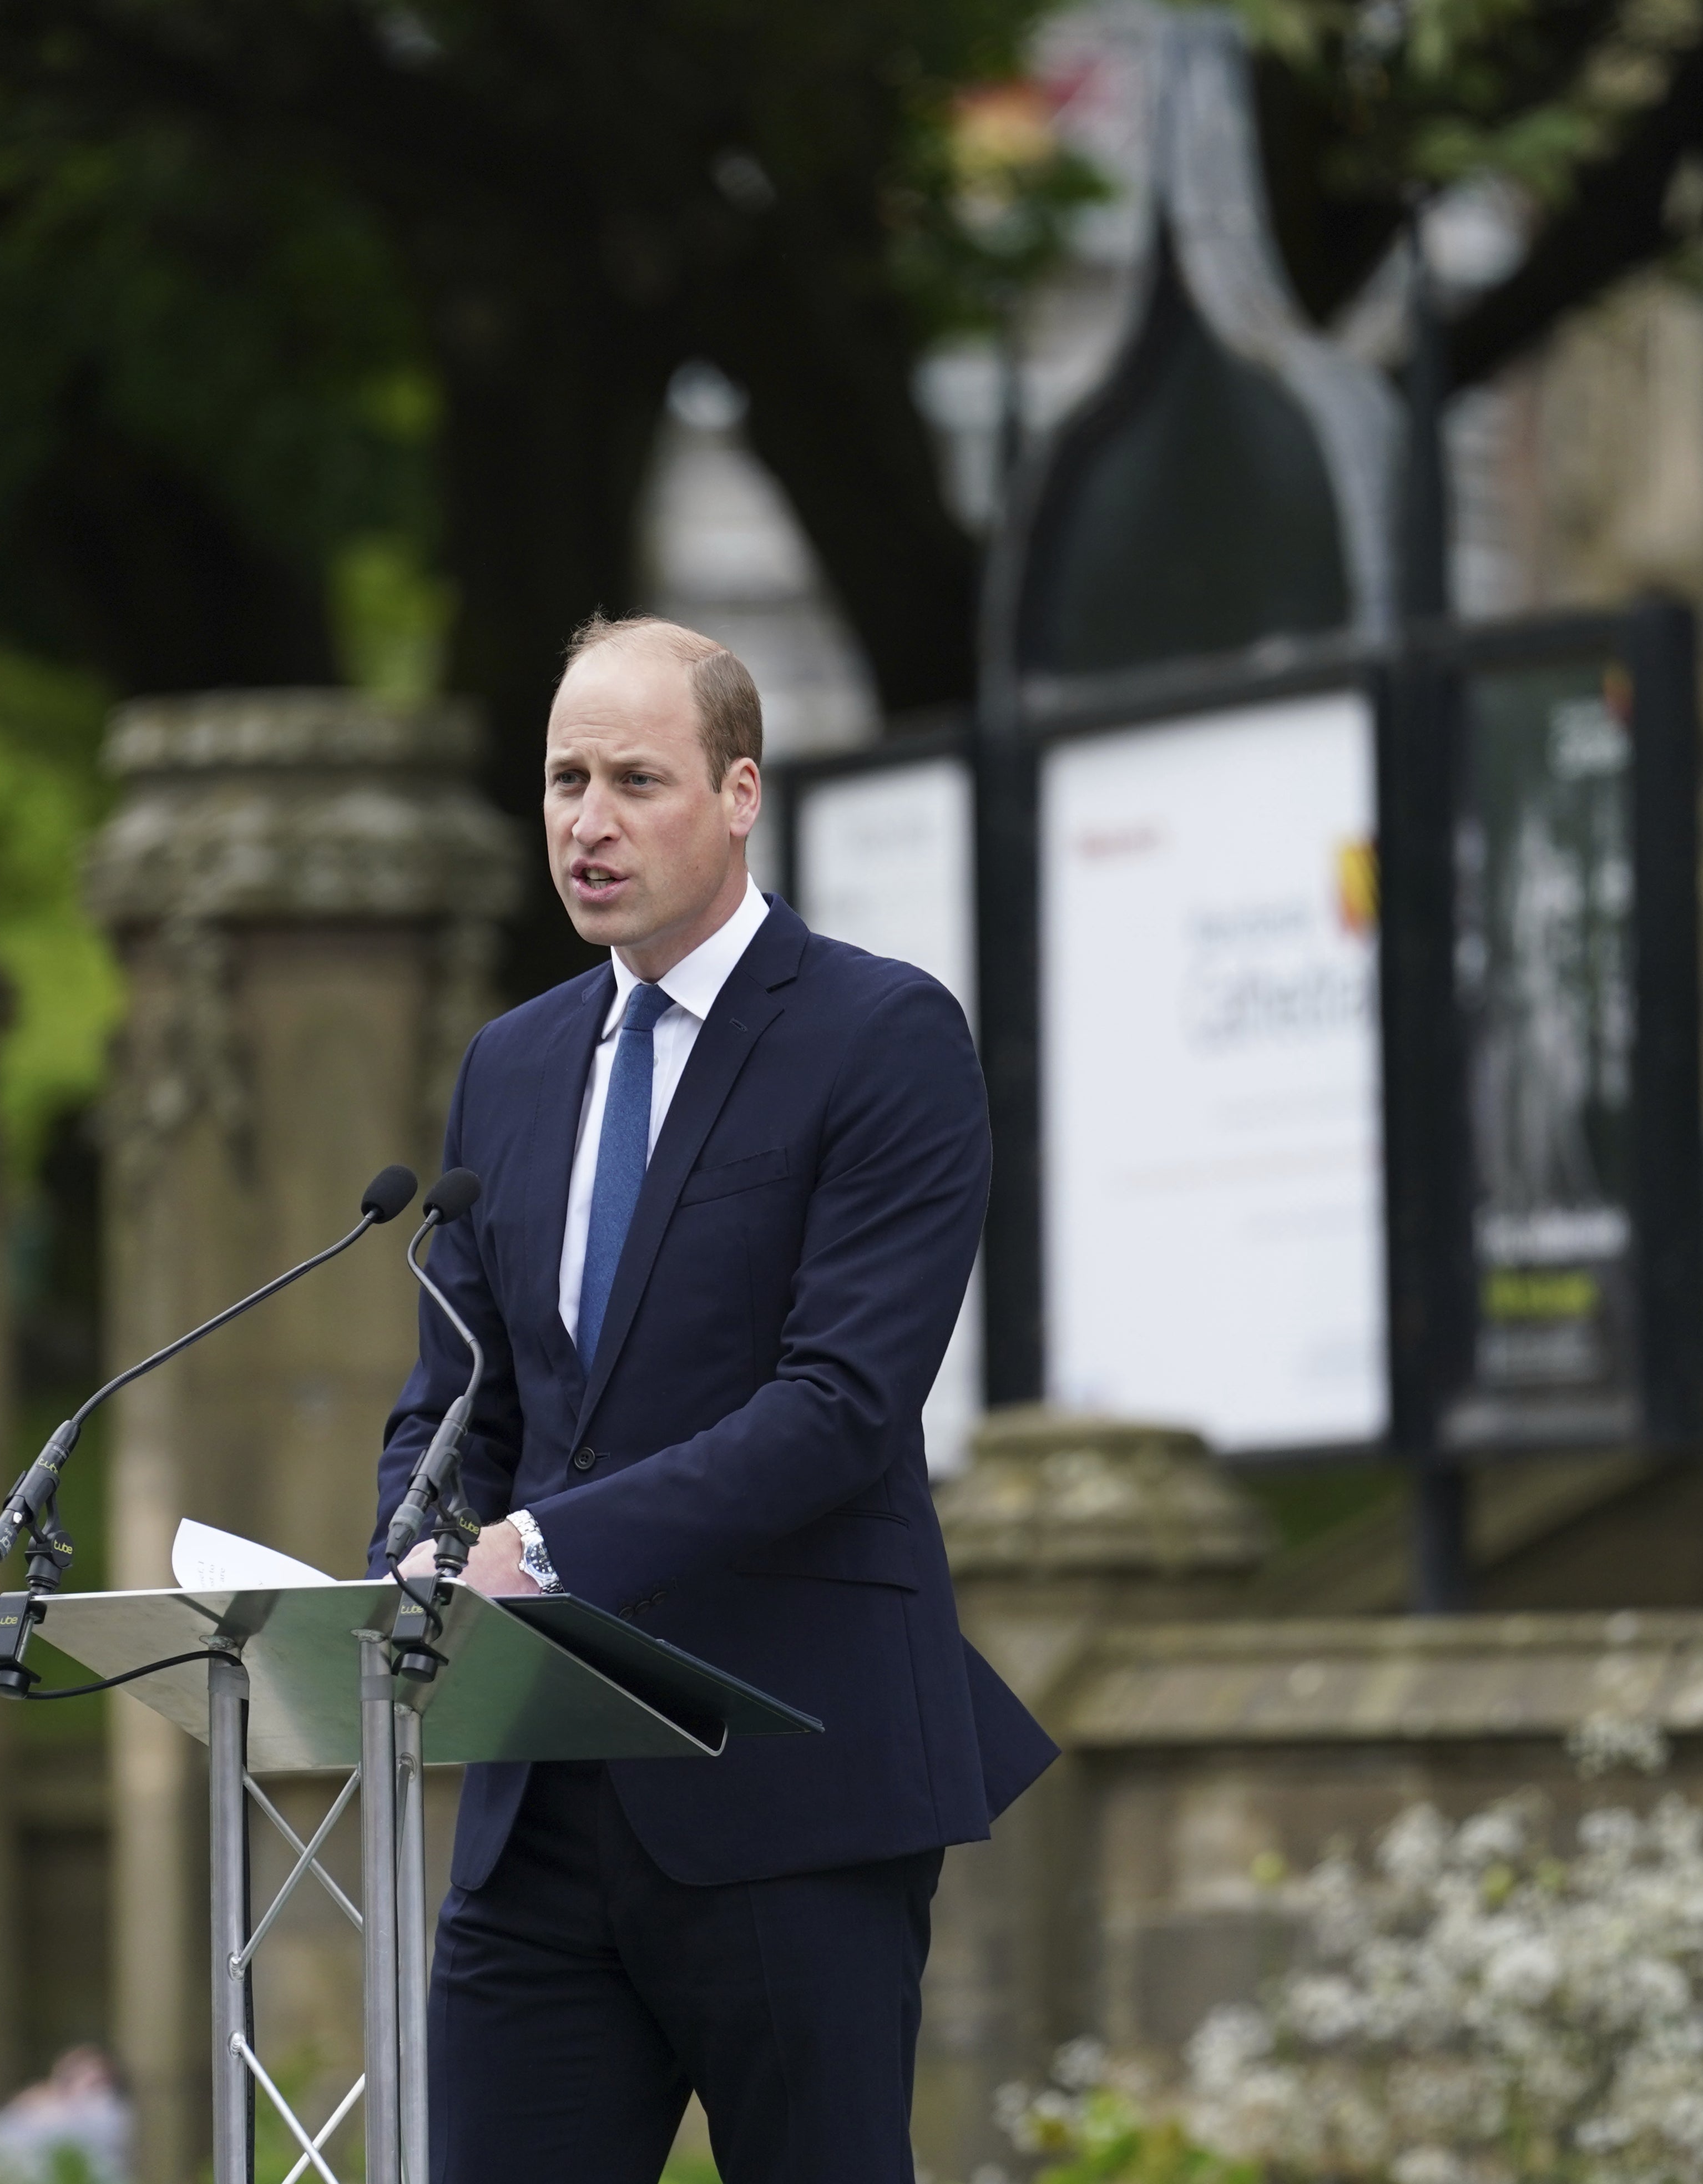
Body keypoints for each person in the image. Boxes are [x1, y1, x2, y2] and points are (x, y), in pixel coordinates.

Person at [373, 614, 1056, 2184]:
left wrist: (546, 1546)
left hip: (790, 1788)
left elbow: (842, 1406)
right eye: (561, 782)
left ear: (741, 793)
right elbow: (455, 1398)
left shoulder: (883, 1037)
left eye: (634, 780)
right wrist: (416, 1542)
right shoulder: (512, 1067)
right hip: (542, 1813)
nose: (587, 822)